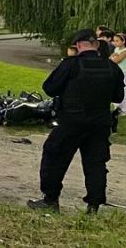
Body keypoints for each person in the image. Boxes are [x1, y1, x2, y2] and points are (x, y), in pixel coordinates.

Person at [29, 29, 125, 214]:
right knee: (95, 163)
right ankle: (93, 206)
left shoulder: (71, 65)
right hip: (100, 123)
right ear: (96, 44)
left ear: (78, 45)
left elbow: (50, 88)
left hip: (71, 121)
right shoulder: (111, 68)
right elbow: (118, 96)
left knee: (55, 157)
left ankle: (50, 199)